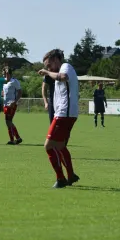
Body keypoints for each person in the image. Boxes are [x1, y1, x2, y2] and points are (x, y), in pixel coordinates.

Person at [38, 49, 80, 188]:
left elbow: (63, 77)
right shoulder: (60, 69)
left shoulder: (65, 67)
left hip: (64, 114)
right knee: (60, 146)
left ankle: (61, 179)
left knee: (48, 146)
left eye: (49, 65)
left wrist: (47, 73)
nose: (48, 68)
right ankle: (71, 175)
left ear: (56, 59)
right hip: (66, 113)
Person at [2, 68, 23, 145]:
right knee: (8, 122)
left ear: (9, 73)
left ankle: (14, 139)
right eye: (3, 74)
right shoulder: (4, 82)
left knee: (8, 121)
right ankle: (16, 138)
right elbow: (5, 92)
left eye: (5, 73)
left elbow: (20, 92)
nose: (4, 75)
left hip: (11, 104)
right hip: (5, 104)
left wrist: (15, 102)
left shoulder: (14, 81)